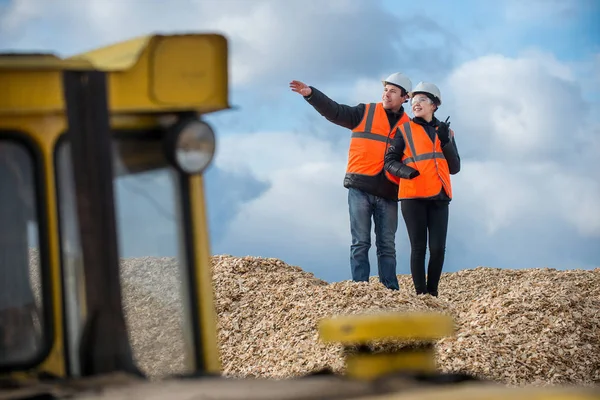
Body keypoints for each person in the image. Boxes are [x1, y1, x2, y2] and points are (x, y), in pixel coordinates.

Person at [289, 73, 413, 290]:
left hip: (389, 191)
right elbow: (335, 111)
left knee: (387, 246)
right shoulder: (364, 112)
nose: (387, 94)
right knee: (360, 243)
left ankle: (391, 291)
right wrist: (311, 95)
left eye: (393, 91)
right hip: (360, 187)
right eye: (385, 89)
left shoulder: (409, 127)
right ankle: (360, 290)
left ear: (405, 97)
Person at [383, 82, 461, 297]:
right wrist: (407, 172)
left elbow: (455, 168)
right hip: (413, 196)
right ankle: (421, 295)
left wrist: (446, 141)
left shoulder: (446, 132)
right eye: (414, 101)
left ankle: (433, 294)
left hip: (439, 195)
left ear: (434, 105)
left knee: (437, 249)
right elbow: (388, 161)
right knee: (419, 248)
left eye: (422, 100)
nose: (416, 104)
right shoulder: (403, 130)